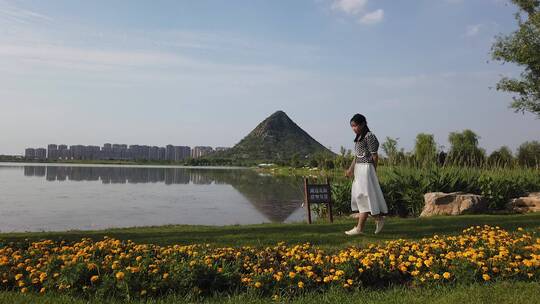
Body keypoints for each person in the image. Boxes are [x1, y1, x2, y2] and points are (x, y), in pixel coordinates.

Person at [345, 114, 388, 235]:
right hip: (359, 169)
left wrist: (373, 171)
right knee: (360, 196)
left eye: (356, 125)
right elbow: (357, 157)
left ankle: (360, 228)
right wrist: (350, 170)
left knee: (364, 196)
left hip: (367, 169)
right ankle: (378, 218)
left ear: (363, 124)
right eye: (352, 126)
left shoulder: (370, 136)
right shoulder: (359, 137)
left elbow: (375, 156)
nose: (354, 128)